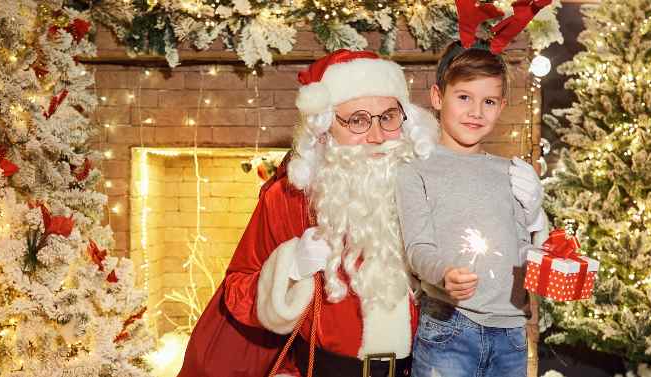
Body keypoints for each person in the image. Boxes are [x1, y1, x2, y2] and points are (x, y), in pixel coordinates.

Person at [178, 49, 440, 377]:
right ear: (324, 127)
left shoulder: (428, 187)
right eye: (357, 120)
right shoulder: (290, 197)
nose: (376, 137)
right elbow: (237, 289)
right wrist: (289, 268)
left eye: (388, 117)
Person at [396, 1, 554, 376]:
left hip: (512, 331)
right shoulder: (416, 171)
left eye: (488, 102)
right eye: (463, 97)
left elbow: (530, 244)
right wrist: (443, 273)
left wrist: (537, 216)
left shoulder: (513, 172)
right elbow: (417, 248)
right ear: (438, 97)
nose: (475, 112)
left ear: (501, 107)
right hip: (450, 327)